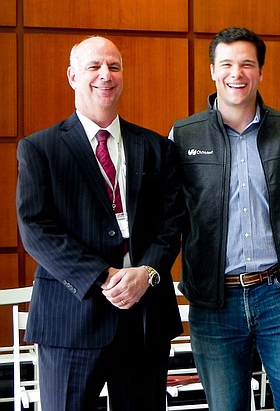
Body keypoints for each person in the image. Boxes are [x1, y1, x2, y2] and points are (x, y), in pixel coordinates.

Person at [171, 26, 280, 411]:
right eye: (228, 64)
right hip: (214, 301)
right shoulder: (184, 135)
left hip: (279, 293)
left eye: (247, 64)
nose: (237, 73)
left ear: (260, 72)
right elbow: (168, 212)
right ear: (213, 71)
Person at [16, 36, 185, 410]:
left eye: (114, 66)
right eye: (94, 67)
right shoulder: (40, 148)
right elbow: (35, 228)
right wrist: (102, 276)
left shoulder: (157, 148)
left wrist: (148, 272)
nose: (105, 75)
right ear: (73, 76)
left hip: (144, 318)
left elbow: (171, 222)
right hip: (70, 318)